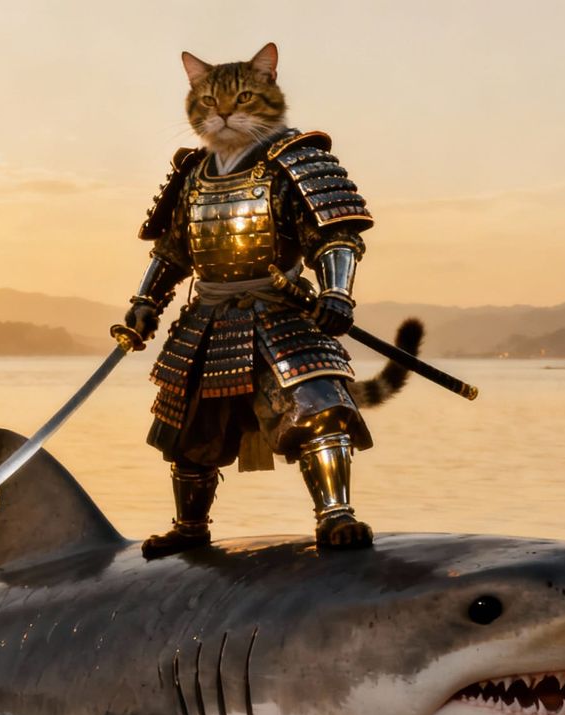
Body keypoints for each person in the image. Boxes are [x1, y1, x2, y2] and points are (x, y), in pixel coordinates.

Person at [116, 42, 379, 558]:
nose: (223, 113)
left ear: (270, 90)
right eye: (208, 102)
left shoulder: (296, 159)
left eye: (240, 100)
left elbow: (335, 236)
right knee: (186, 428)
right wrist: (146, 301)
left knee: (319, 407)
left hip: (280, 311)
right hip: (208, 315)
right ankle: (190, 525)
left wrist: (336, 293)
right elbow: (172, 250)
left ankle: (335, 513)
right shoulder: (192, 172)